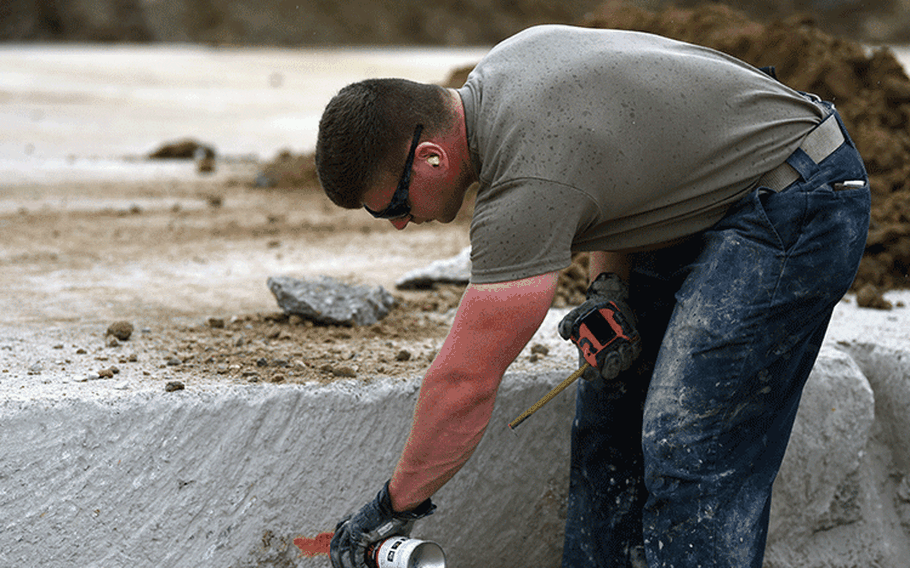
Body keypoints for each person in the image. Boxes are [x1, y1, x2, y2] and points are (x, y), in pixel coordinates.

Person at [316, 24, 871, 568]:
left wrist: (392, 508)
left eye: (391, 206)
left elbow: (465, 383)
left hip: (797, 193)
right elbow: (622, 170)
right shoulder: (508, 68)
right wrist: (610, 285)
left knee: (688, 441)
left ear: (430, 158)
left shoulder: (521, 188)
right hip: (718, 193)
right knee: (610, 421)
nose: (396, 226)